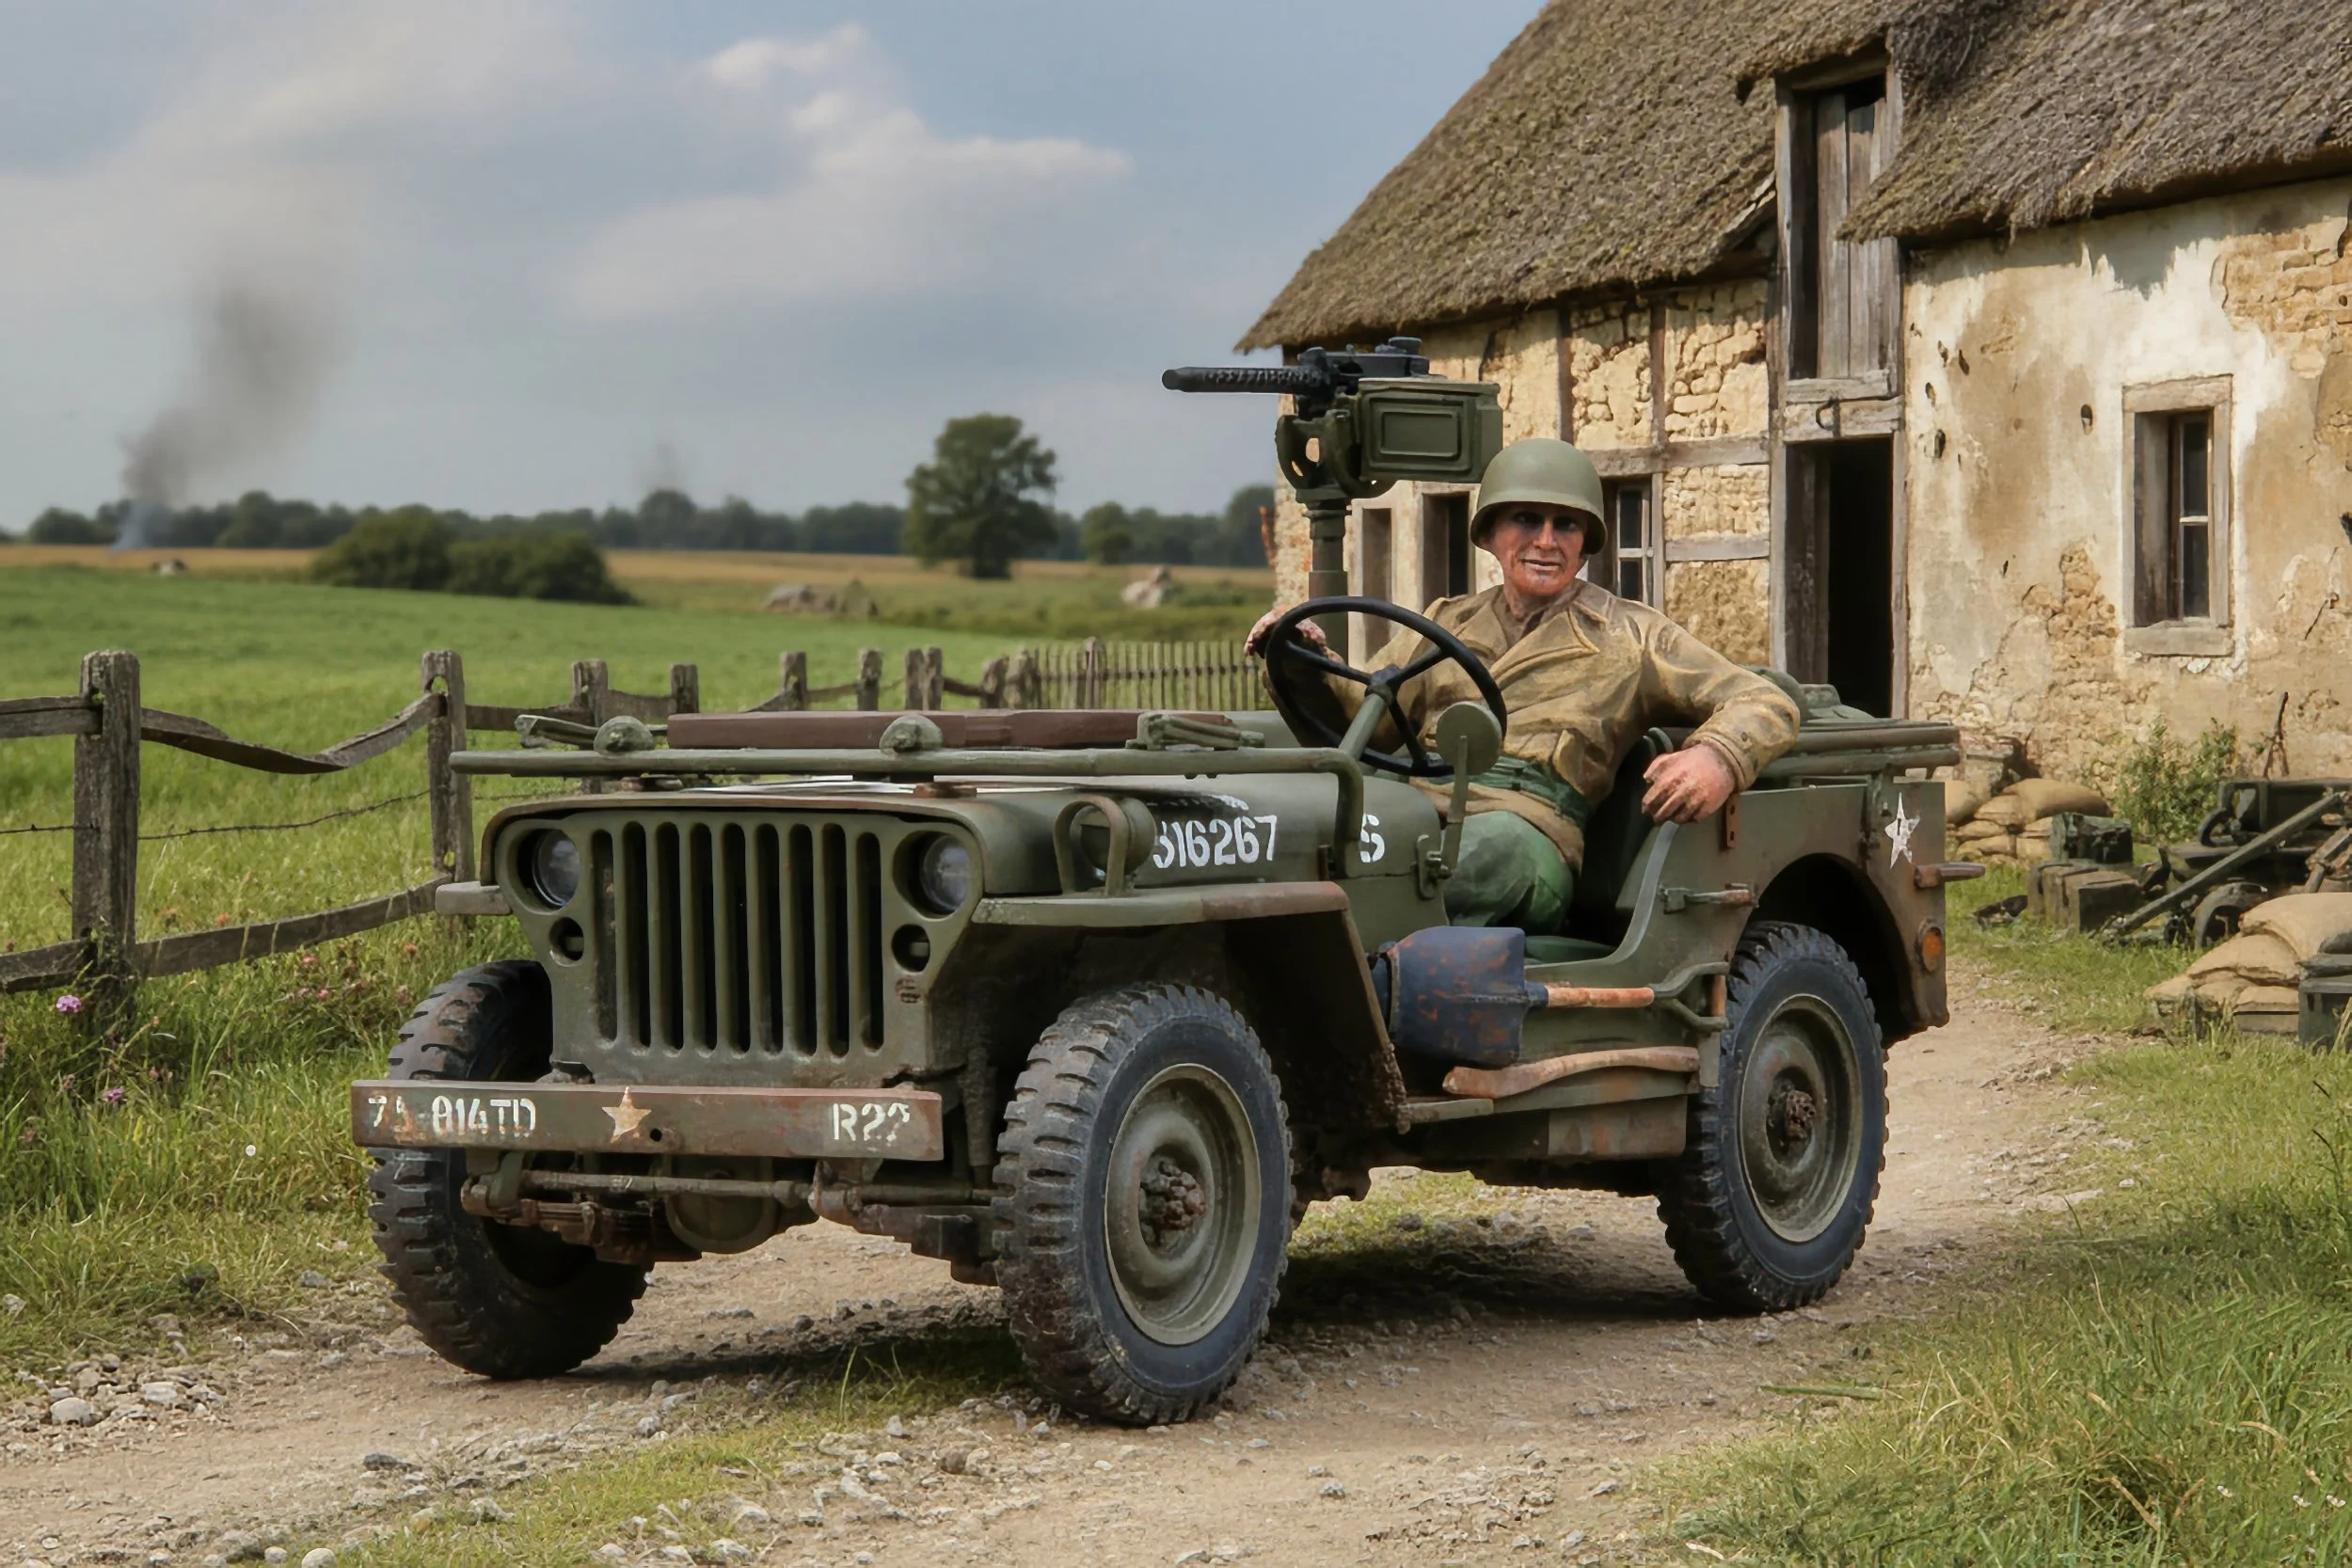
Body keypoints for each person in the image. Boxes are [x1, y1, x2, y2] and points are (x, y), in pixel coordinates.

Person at [1246, 437, 1802, 935]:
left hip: (1533, 834)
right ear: (1490, 534)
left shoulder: (1633, 635)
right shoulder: (1448, 621)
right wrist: (1300, 657)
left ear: (1586, 542)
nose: (1546, 541)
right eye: (1527, 520)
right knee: (1300, 841)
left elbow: (1764, 699)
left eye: (1566, 525)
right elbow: (1366, 720)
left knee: (1462, 867)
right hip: (1420, 808)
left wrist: (1718, 758)